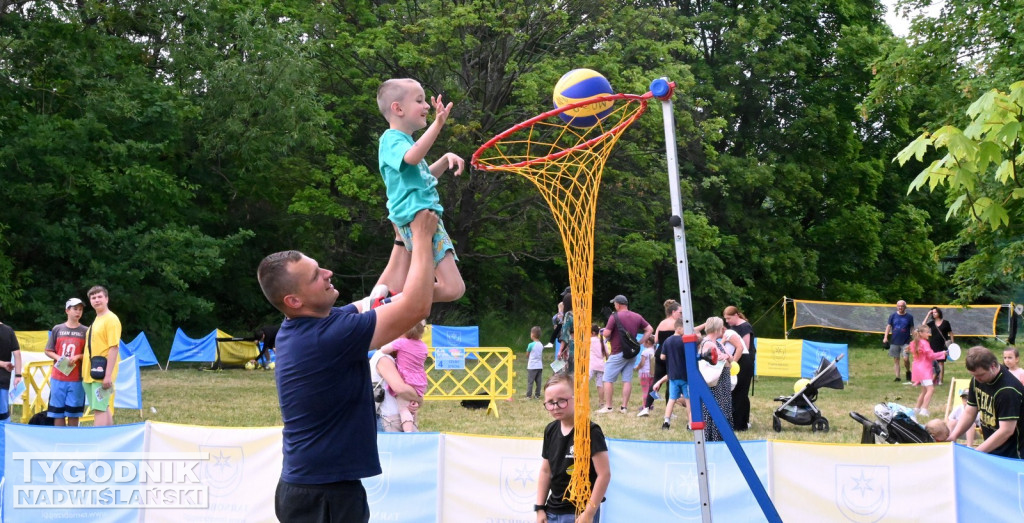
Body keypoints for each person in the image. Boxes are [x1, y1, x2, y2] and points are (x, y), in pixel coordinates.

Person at [256, 209, 438, 523]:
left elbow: (380, 296)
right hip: (322, 495)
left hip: (318, 488)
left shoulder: (311, 325)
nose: (327, 272)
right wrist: (421, 237)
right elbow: (416, 307)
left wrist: (400, 238)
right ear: (294, 301)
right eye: (315, 276)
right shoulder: (328, 337)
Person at [374, 78, 465, 304]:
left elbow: (423, 178)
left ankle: (389, 299)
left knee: (452, 287)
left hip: (421, 216)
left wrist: (444, 160)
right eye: (419, 100)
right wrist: (438, 124)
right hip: (417, 218)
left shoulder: (405, 142)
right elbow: (413, 157)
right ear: (398, 108)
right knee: (453, 288)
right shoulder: (391, 139)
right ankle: (393, 302)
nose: (427, 106)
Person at [535, 373, 610, 523]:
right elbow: (546, 470)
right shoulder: (550, 430)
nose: (555, 407)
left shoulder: (591, 431)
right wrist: (540, 508)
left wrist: (589, 513)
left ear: (576, 398)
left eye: (562, 401)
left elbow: (604, 474)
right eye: (550, 402)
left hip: (579, 512)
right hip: (552, 510)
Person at [945, 347, 1024, 459]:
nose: (977, 379)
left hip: (1013, 455)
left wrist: (976, 453)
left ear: (993, 366)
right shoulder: (977, 379)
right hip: (992, 448)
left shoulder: (1008, 390)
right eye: (974, 375)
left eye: (981, 375)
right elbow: (970, 412)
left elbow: (1006, 431)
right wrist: (953, 435)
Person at [598, 295, 652, 414]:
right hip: (632, 352)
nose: (614, 306)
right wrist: (640, 342)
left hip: (618, 351)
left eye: (614, 304)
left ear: (618, 304)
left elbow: (607, 333)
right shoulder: (637, 316)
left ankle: (608, 406)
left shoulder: (614, 316)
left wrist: (602, 331)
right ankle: (624, 407)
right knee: (627, 380)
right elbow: (650, 329)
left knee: (607, 379)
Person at [44, 298, 89, 426]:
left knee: (73, 412)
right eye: (75, 309)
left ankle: (72, 440)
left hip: (76, 379)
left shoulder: (86, 331)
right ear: (67, 310)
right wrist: (59, 358)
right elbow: (48, 350)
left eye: (80, 309)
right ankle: (60, 438)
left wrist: (79, 356)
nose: (78, 312)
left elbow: (90, 353)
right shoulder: (57, 329)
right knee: (57, 412)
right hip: (58, 377)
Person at [81, 286, 121, 427]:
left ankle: (98, 441)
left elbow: (114, 347)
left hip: (102, 372)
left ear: (106, 299)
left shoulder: (111, 319)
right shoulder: (97, 319)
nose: (96, 300)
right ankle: (109, 439)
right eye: (93, 297)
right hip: (90, 372)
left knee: (99, 408)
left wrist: (108, 375)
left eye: (99, 297)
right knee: (102, 407)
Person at [380, 320, 429, 432]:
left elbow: (384, 350)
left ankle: (408, 433)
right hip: (420, 381)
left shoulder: (401, 342)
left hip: (407, 380)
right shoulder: (423, 346)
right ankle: (413, 425)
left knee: (404, 409)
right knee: (412, 405)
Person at [640, 300, 680, 417]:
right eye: (680, 312)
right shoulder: (678, 324)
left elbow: (656, 340)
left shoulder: (662, 323)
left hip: (660, 353)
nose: (681, 315)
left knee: (656, 381)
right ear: (673, 312)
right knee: (670, 382)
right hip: (672, 355)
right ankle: (669, 411)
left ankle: (646, 407)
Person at [369, 348, 422, 433]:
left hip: (396, 420)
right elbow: (399, 388)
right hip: (389, 421)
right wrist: (418, 398)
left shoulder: (393, 358)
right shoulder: (383, 358)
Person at [698, 317, 732, 441]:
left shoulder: (718, 342)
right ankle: (714, 436)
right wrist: (725, 356)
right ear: (717, 328)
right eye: (721, 327)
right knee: (715, 407)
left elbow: (730, 358)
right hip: (715, 381)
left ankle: (722, 435)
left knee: (723, 405)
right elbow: (716, 359)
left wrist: (725, 356)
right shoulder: (708, 342)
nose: (723, 330)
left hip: (722, 380)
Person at [724, 305, 756, 431]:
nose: (727, 321)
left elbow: (745, 346)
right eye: (725, 319)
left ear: (736, 315)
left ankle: (743, 422)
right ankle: (736, 420)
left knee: (741, 392)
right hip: (735, 361)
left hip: (743, 361)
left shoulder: (745, 327)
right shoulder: (732, 327)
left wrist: (733, 361)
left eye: (729, 318)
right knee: (735, 392)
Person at [908, 324, 946, 417]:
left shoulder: (914, 342)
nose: (929, 334)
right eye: (927, 332)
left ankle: (917, 409)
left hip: (917, 368)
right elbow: (931, 356)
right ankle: (924, 410)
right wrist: (943, 353)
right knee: (930, 389)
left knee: (924, 390)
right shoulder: (924, 343)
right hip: (924, 369)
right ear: (921, 333)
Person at [660, 318, 689, 430]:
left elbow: (662, 357)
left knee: (672, 399)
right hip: (685, 375)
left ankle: (666, 422)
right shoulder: (684, 340)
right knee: (688, 399)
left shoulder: (667, 340)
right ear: (679, 328)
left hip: (672, 375)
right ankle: (690, 423)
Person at [883, 300, 915, 382]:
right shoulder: (893, 316)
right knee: (896, 359)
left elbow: (912, 328)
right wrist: (885, 337)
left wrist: (915, 339)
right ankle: (898, 377)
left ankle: (908, 371)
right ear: (897, 306)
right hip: (894, 341)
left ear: (905, 307)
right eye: (899, 306)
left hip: (906, 341)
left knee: (906, 359)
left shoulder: (909, 317)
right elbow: (888, 326)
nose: (900, 307)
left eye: (902, 306)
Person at [0, 312, 22, 423]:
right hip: (3, 378)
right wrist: (18, 375)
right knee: (3, 413)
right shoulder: (9, 330)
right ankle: (5, 438)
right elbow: (17, 353)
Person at [924, 307, 953, 385]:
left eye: (935, 312)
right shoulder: (932, 323)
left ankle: (940, 380)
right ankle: (934, 378)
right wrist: (928, 314)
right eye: (932, 313)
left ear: (939, 313)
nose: (934, 314)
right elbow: (923, 326)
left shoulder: (946, 323)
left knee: (941, 363)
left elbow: (950, 333)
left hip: (942, 345)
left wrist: (952, 344)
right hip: (933, 344)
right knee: (933, 362)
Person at [636, 337, 656, 413]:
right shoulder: (654, 351)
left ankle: (645, 406)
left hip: (644, 374)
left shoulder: (645, 352)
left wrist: (637, 368)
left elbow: (642, 363)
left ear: (647, 342)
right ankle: (651, 405)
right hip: (652, 373)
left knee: (645, 390)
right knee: (651, 390)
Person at [558, 293, 575, 373]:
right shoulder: (581, 314)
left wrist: (560, 350)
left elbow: (565, 333)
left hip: (571, 347)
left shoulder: (569, 315)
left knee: (568, 374)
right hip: (582, 347)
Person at [526, 326, 544, 399]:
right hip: (539, 365)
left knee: (530, 381)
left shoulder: (531, 345)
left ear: (532, 335)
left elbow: (527, 354)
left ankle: (529, 395)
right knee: (538, 382)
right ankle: (537, 395)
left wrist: (528, 355)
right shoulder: (541, 345)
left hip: (532, 366)